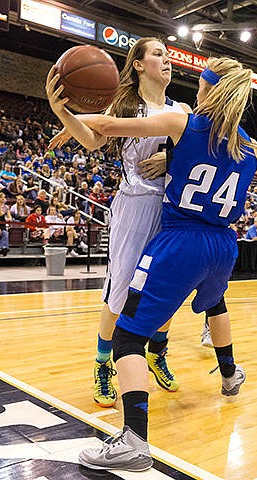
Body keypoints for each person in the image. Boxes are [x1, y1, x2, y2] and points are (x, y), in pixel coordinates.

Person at [48, 55, 257, 471]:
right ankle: (229, 374)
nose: (194, 88)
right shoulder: (247, 143)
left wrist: (65, 110)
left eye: (200, 83)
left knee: (127, 339)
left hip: (181, 241)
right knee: (215, 305)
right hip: (223, 246)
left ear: (209, 90)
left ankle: (133, 441)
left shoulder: (185, 123)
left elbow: (107, 127)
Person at [48, 37, 194, 408]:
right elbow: (93, 141)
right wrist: (63, 113)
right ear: (140, 65)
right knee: (120, 292)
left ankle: (157, 352)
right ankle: (102, 364)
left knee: (168, 290)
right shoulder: (125, 104)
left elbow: (195, 156)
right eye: (158, 54)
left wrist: (170, 160)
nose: (167, 59)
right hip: (135, 204)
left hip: (173, 210)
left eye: (167, 54)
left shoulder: (183, 108)